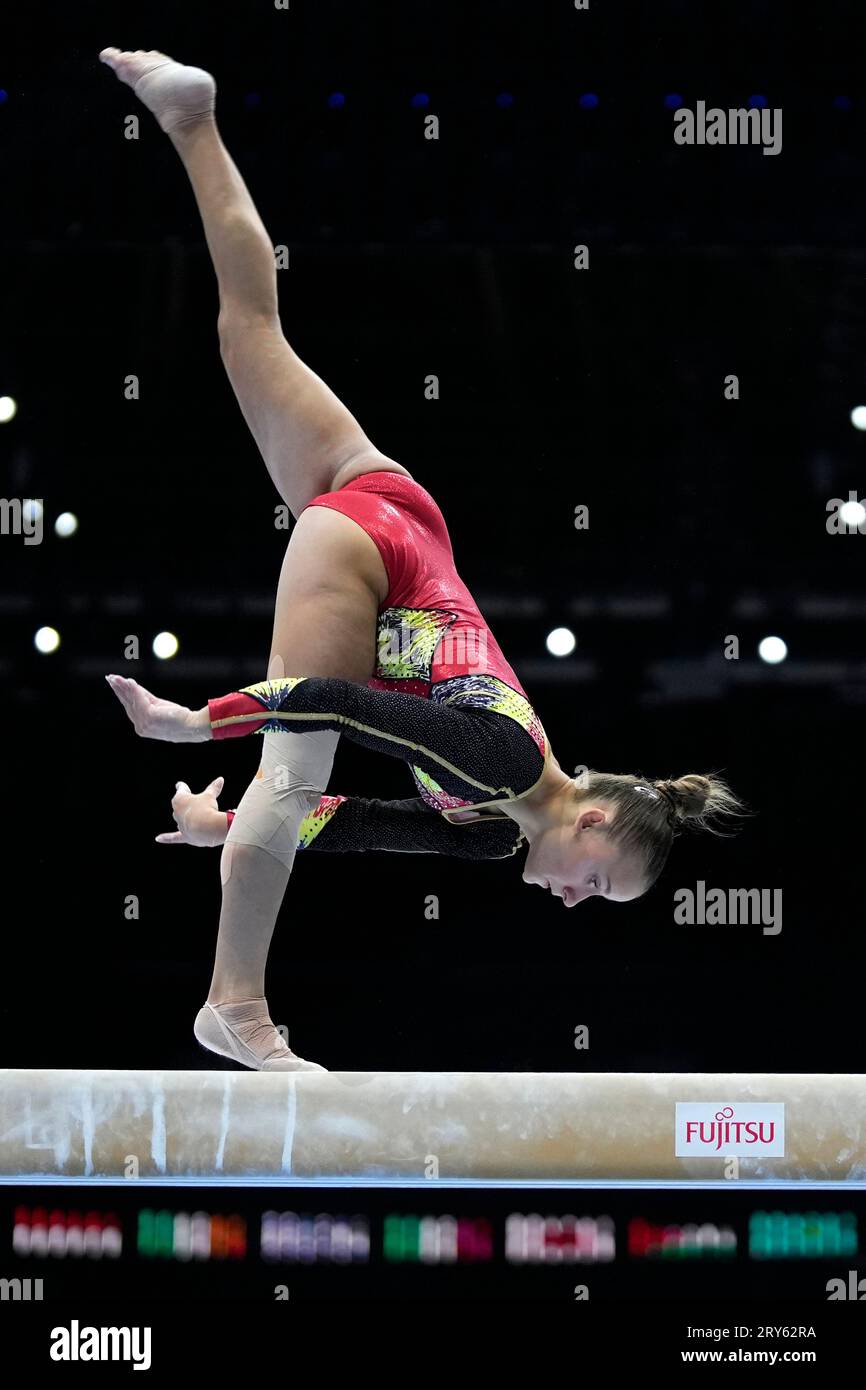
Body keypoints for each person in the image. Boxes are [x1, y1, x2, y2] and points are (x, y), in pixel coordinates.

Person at [100, 48, 745, 1072]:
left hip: (388, 506)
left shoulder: (490, 831)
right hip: (377, 553)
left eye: (592, 900)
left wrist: (228, 827)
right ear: (587, 813)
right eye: (598, 877)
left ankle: (191, 122)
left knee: (247, 326)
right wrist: (198, 721)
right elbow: (335, 703)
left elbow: (342, 825)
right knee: (292, 751)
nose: (576, 899)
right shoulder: (503, 758)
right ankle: (236, 1009)